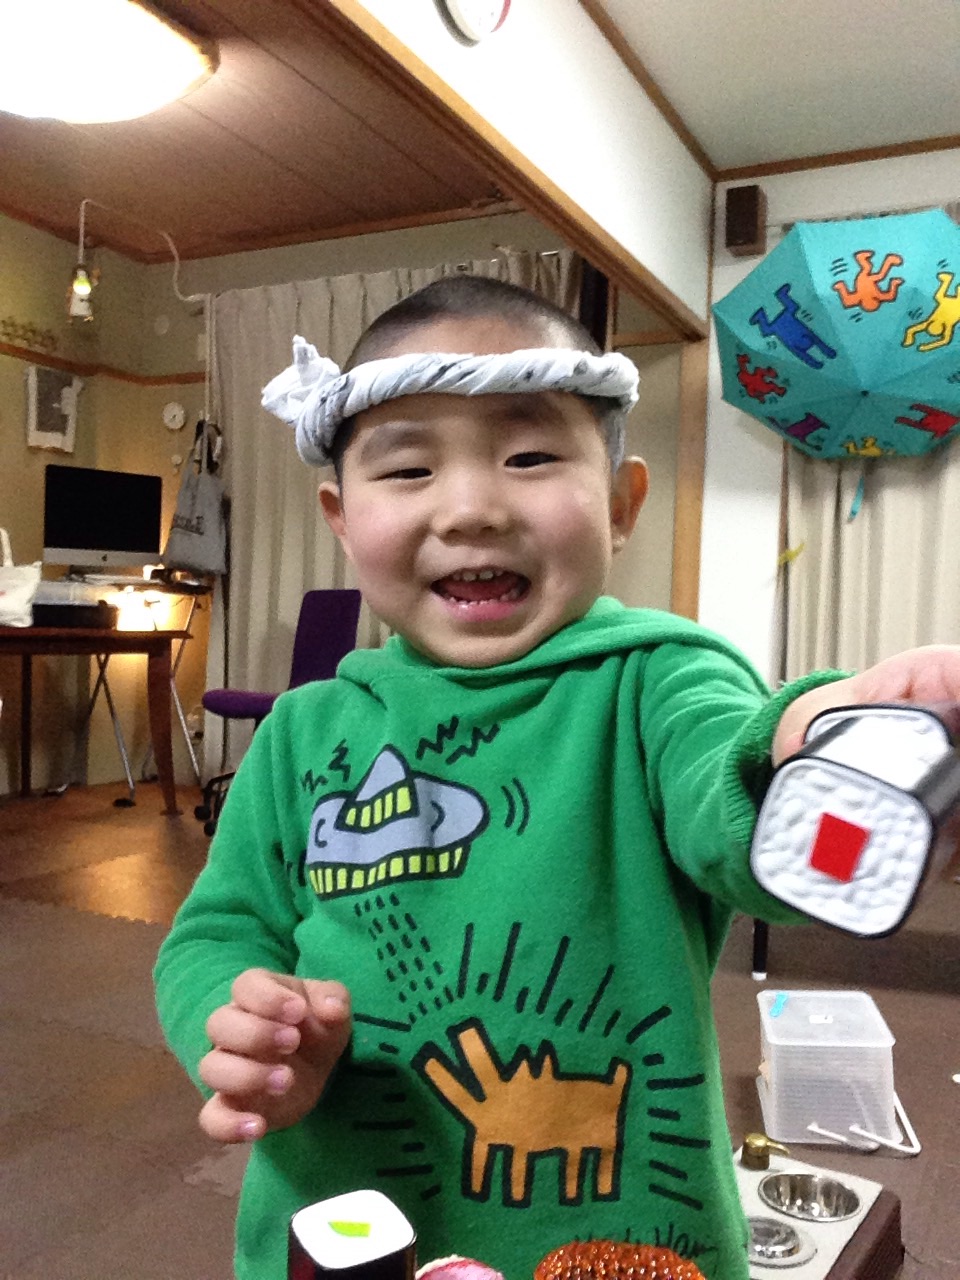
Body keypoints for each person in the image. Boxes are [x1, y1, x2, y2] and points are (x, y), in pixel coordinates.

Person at [154, 275, 960, 1280]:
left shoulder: (658, 681)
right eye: (408, 468)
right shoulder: (302, 731)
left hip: (623, 1243)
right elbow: (218, 930)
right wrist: (239, 1028)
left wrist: (812, 740)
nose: (471, 508)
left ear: (621, 505)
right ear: (341, 518)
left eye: (529, 456)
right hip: (347, 1231)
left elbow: (731, 788)